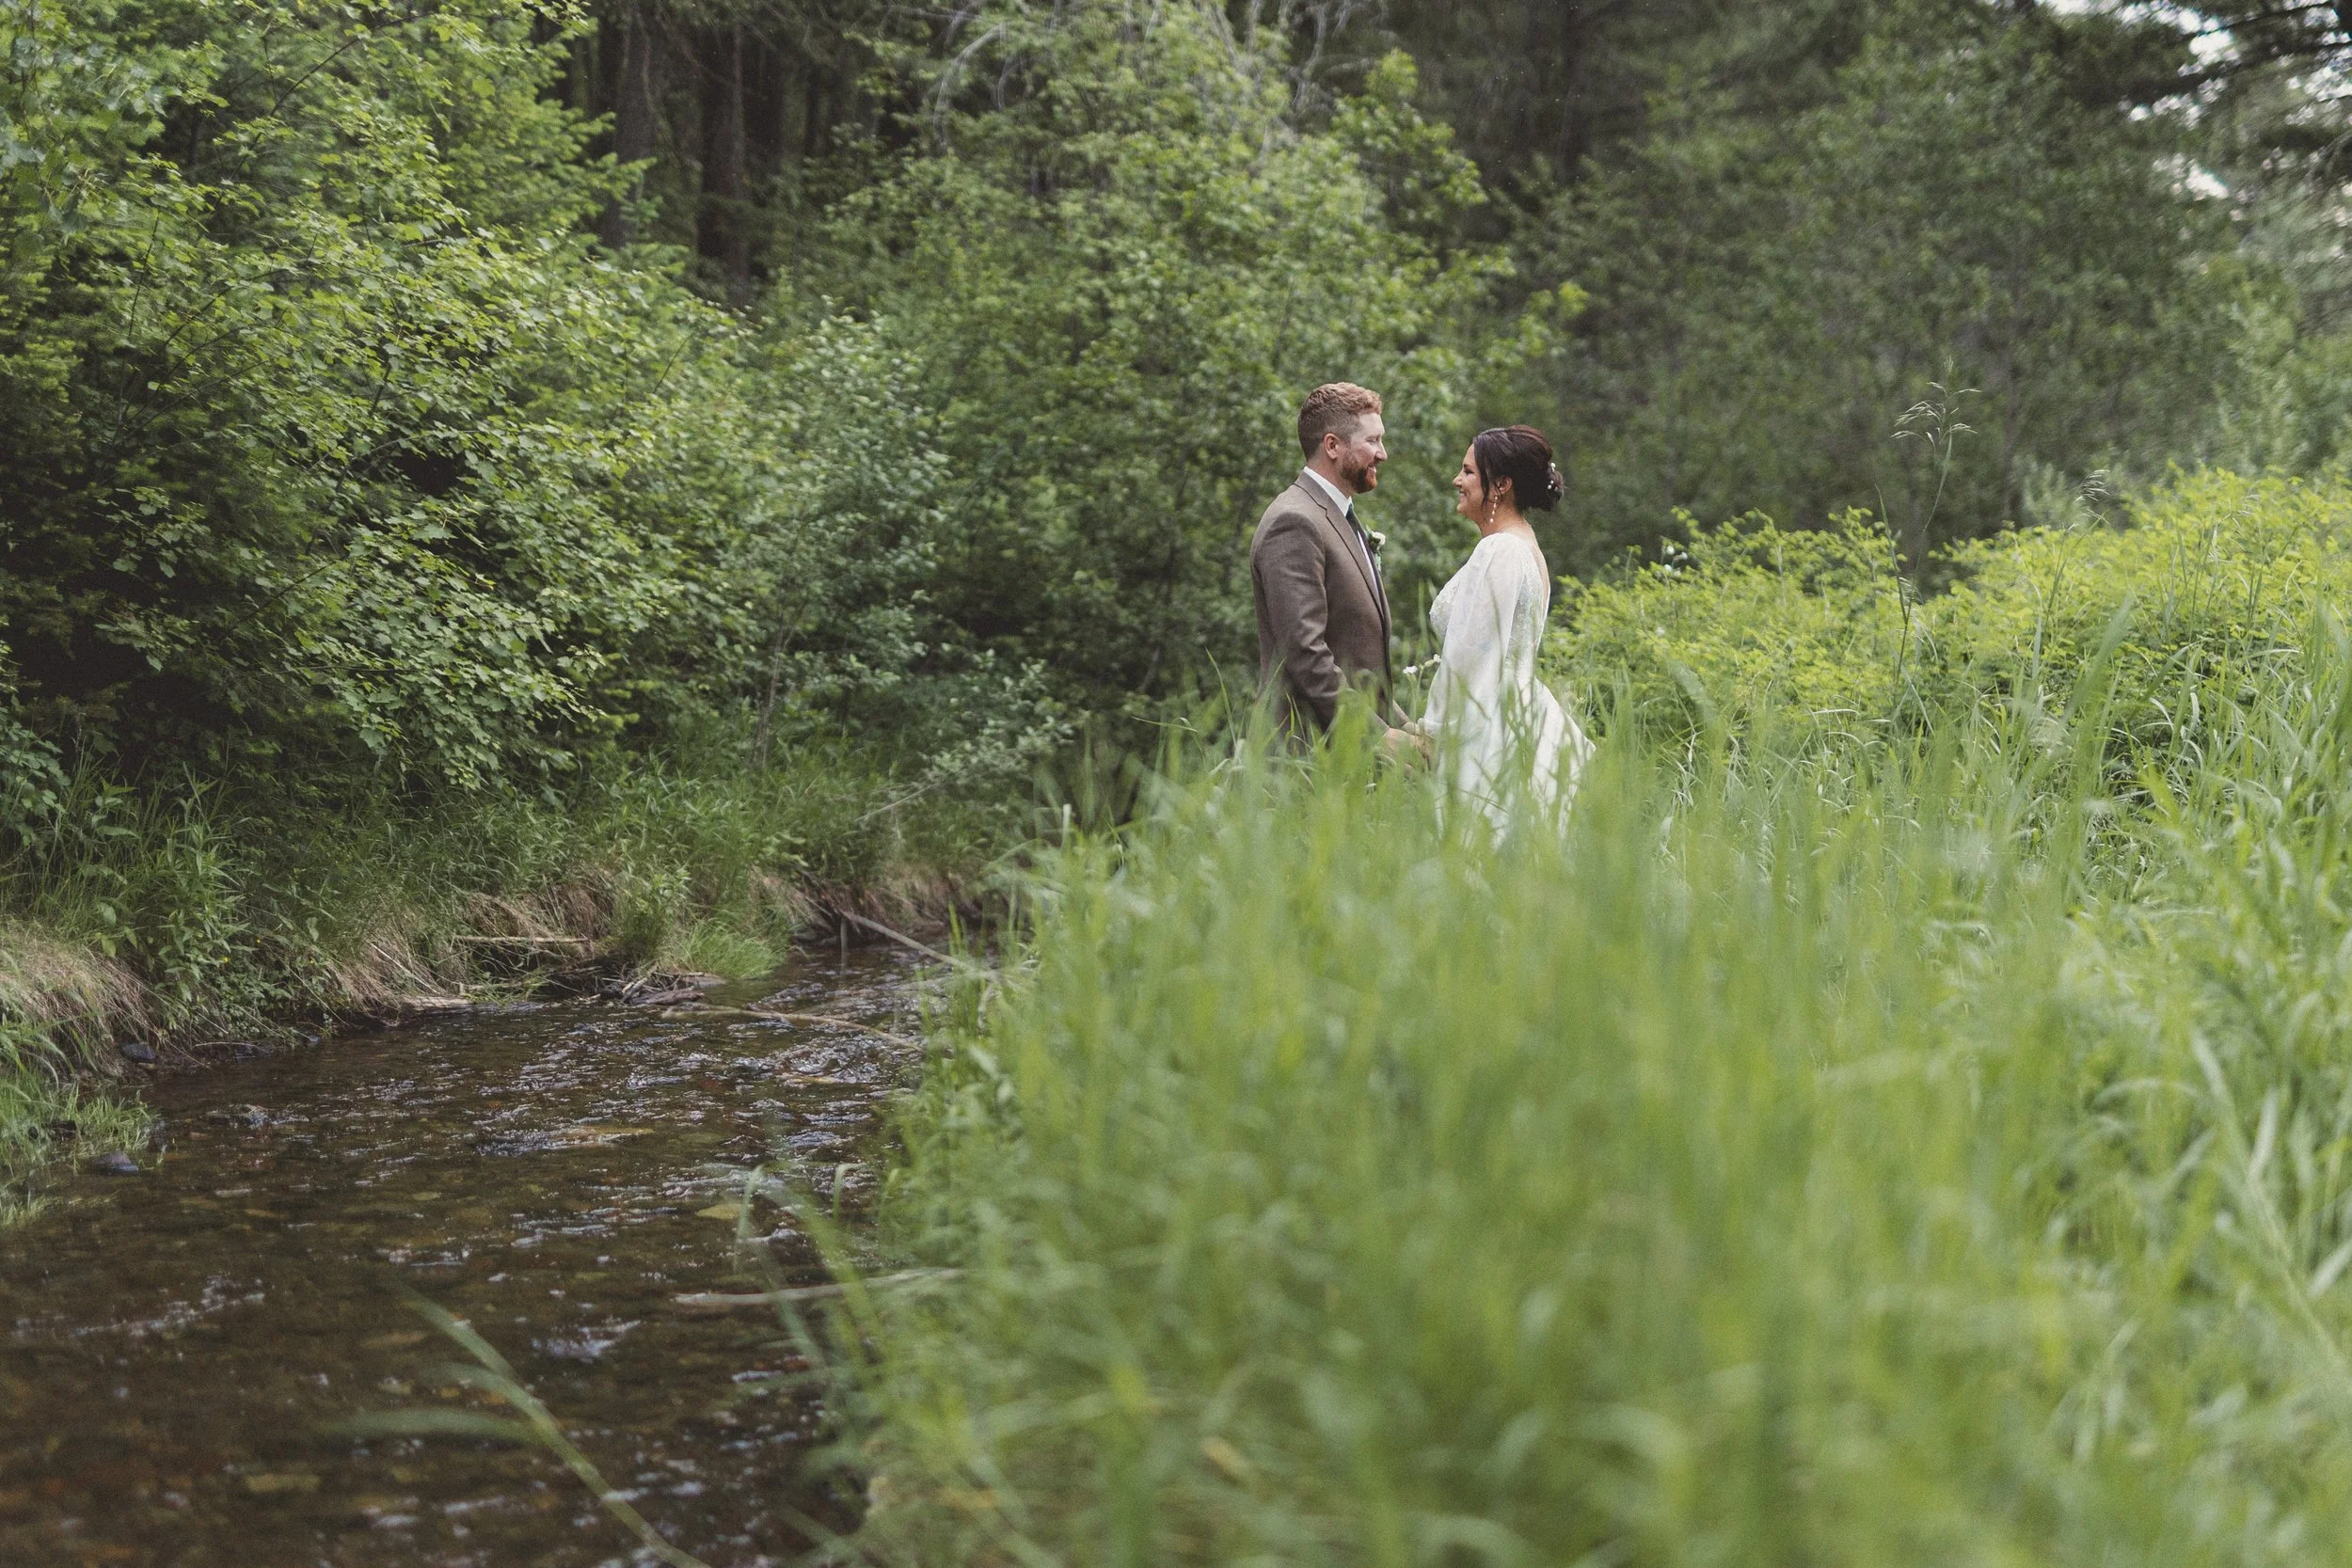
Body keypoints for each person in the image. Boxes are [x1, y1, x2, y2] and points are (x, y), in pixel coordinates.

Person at [1411, 425, 1594, 824]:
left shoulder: (1501, 550)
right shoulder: (1525, 544)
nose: (1457, 481)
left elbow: (1467, 658)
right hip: (1518, 714)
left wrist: (1432, 734)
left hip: (1487, 727)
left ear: (1502, 485)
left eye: (1469, 472)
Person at [1249, 383, 1415, 752]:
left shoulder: (1338, 516)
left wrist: (1405, 727)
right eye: (1372, 441)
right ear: (1332, 445)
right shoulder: (1294, 521)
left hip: (1346, 757)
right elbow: (1305, 654)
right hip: (1306, 754)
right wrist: (1379, 735)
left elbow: (1359, 662)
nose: (1383, 454)